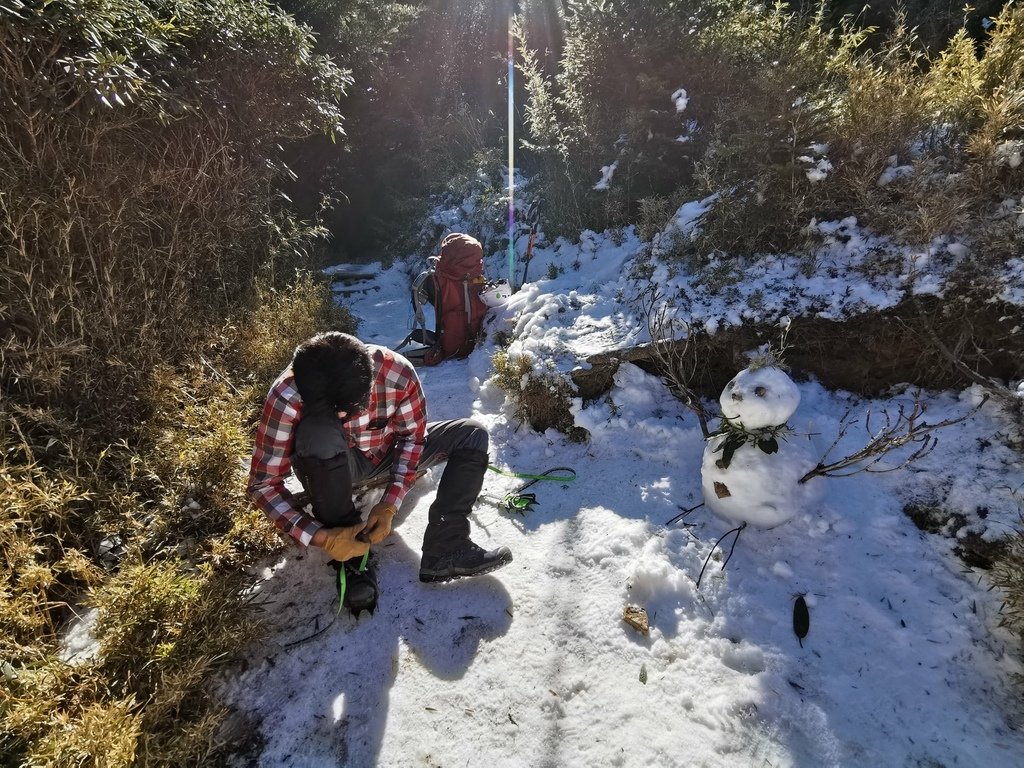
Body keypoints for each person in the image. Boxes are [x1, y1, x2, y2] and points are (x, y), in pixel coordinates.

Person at [247, 331, 512, 614]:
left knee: (471, 435)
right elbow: (263, 484)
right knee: (319, 433)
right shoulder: (287, 394)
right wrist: (321, 537)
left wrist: (389, 504)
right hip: (329, 467)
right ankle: (350, 554)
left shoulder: (397, 372)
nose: (341, 419)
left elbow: (412, 438)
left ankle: (446, 544)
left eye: (344, 412)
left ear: (368, 387)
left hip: (385, 455)